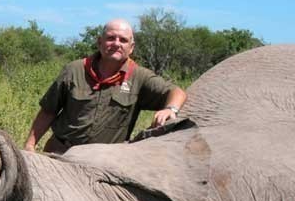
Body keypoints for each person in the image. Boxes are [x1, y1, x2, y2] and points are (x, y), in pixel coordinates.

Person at [24, 19, 187, 154]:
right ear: (99, 42)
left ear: (131, 47)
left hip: (103, 162)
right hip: (60, 153)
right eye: (111, 38)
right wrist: (30, 146)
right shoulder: (74, 70)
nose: (117, 44)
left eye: (123, 40)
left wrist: (170, 109)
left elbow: (176, 92)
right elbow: (48, 111)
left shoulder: (139, 77)